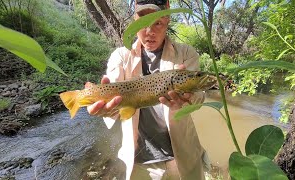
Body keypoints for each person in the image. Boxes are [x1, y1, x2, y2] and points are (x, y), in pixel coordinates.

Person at [87, 0, 210, 179]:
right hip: (140, 162)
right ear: (134, 21)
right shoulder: (120, 56)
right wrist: (104, 108)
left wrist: (186, 100)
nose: (149, 32)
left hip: (182, 155)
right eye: (142, 23)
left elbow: (199, 97)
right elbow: (113, 98)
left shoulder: (186, 54)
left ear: (167, 19)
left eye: (157, 23)